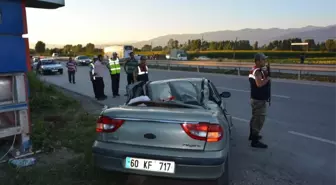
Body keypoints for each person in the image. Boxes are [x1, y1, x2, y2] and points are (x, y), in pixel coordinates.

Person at [248, 53, 270, 149]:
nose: (264, 61)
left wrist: (266, 72)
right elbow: (259, 84)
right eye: (263, 60)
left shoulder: (257, 70)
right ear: (257, 61)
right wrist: (268, 79)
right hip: (258, 100)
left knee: (255, 118)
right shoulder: (257, 71)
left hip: (256, 99)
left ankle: (252, 135)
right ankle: (255, 141)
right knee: (259, 119)